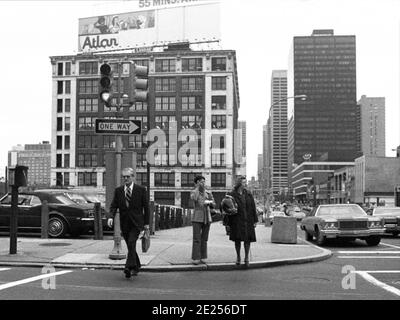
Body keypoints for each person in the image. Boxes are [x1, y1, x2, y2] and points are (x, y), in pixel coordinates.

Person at [107, 168, 149, 279]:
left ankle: (128, 267)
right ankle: (137, 265)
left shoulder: (141, 190)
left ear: (133, 177)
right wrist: (111, 217)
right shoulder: (119, 191)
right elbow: (113, 205)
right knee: (131, 246)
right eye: (124, 177)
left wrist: (147, 224)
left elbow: (147, 208)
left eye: (128, 176)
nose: (125, 178)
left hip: (136, 223)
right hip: (125, 223)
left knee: (131, 242)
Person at [225, 176, 258, 268]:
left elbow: (253, 207)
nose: (245, 184)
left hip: (248, 220)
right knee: (237, 239)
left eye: (245, 182)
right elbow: (226, 207)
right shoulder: (232, 194)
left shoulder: (248, 194)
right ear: (239, 183)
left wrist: (255, 220)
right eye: (243, 182)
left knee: (247, 240)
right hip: (236, 220)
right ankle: (238, 257)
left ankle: (246, 257)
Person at [190, 175, 216, 265]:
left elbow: (214, 203)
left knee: (204, 238)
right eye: (201, 181)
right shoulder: (194, 191)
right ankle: (196, 257)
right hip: (197, 217)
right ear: (196, 183)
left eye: (204, 181)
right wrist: (198, 189)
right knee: (196, 239)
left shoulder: (208, 193)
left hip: (207, 216)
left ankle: (203, 256)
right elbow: (194, 198)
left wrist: (210, 202)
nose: (203, 183)